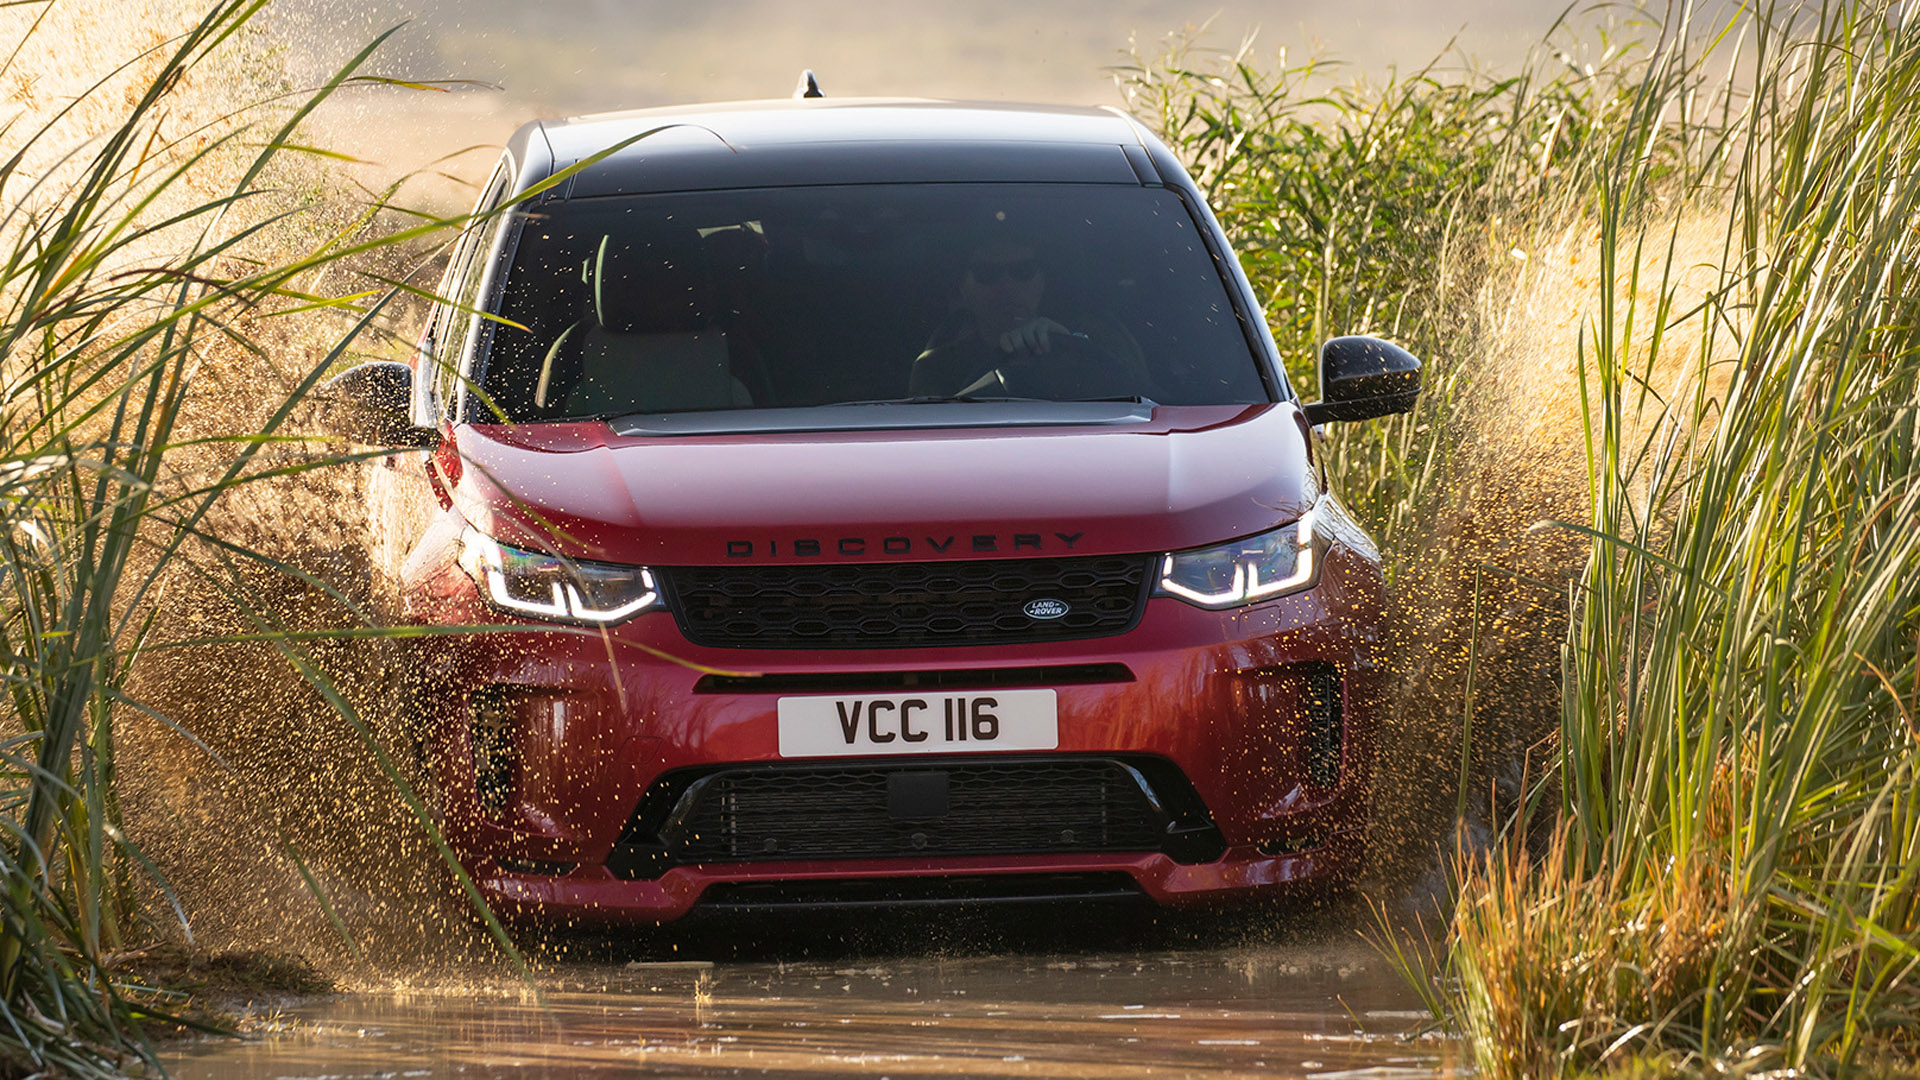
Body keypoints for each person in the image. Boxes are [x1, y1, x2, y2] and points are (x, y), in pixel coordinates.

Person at [908, 232, 1151, 400]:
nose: (1007, 285)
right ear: (962, 286)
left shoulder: (1103, 341)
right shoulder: (937, 368)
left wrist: (1072, 347)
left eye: (1022, 271)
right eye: (987, 273)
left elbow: (1146, 404)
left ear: (1042, 281)